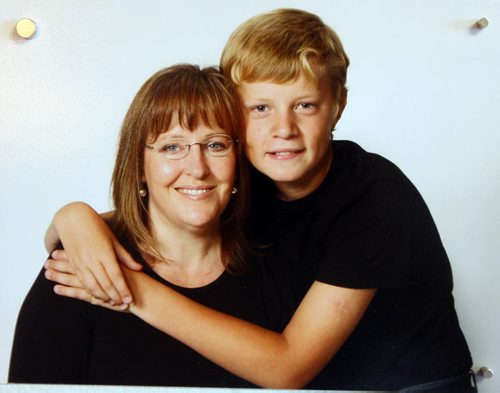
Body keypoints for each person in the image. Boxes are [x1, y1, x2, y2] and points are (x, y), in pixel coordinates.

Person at [40, 8, 476, 392]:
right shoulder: (251, 176)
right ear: (234, 112)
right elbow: (156, 211)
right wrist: (73, 219)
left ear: (338, 106)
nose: (283, 128)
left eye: (304, 105)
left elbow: (289, 368)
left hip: (414, 386)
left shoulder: (374, 195)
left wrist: (129, 290)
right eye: (260, 108)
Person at [8, 64, 282, 387]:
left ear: (238, 161)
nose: (197, 167)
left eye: (215, 145)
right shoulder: (80, 267)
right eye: (171, 147)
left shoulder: (275, 269)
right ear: (138, 165)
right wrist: (72, 213)